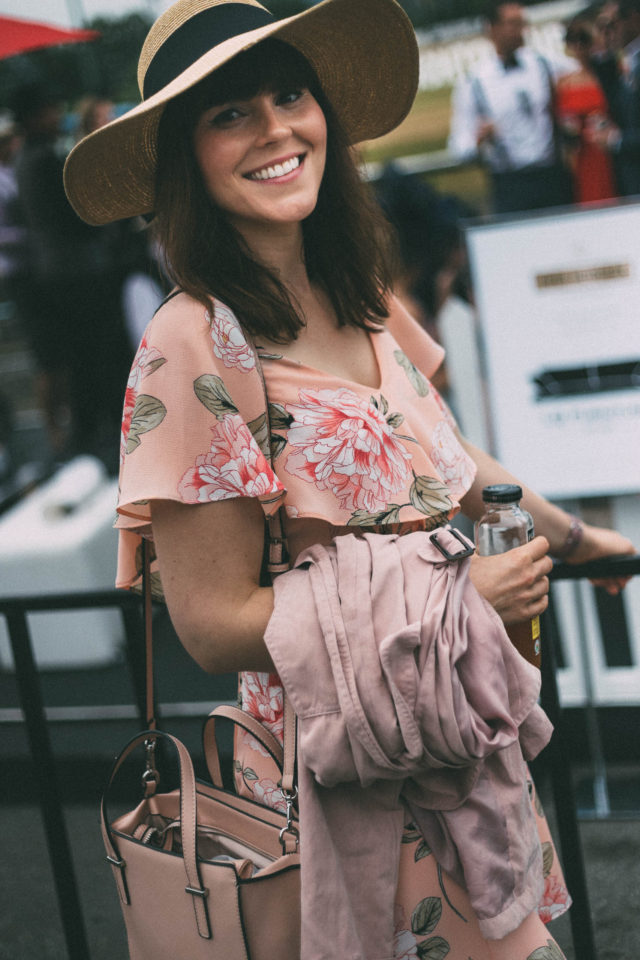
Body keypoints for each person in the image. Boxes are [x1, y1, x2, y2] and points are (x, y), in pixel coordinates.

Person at [64, 1, 635, 957]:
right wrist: (458, 605)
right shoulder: (191, 344)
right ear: (186, 159)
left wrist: (579, 539)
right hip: (331, 794)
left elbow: (451, 465)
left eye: (290, 94)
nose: (278, 129)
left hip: (460, 755)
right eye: (230, 113)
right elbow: (210, 625)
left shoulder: (362, 293)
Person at [12, 83, 132, 471]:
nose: (54, 116)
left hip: (59, 273)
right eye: (47, 110)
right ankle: (104, 434)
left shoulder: (25, 157)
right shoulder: (44, 158)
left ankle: (92, 433)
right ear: (32, 116)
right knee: (98, 355)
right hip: (79, 272)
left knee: (84, 357)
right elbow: (76, 215)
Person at [448, 1, 574, 214]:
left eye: (522, 23)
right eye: (513, 23)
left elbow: (582, 70)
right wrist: (479, 140)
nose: (522, 30)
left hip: (553, 177)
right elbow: (459, 147)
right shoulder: (473, 82)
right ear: (492, 28)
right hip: (510, 184)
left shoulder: (543, 63)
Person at [555, 14, 619, 202]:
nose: (577, 46)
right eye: (571, 39)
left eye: (582, 39)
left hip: (609, 150)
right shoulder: (564, 82)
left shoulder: (609, 74)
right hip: (581, 155)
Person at [587, 0, 640, 196]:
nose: (606, 32)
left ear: (634, 19)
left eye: (611, 24)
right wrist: (604, 53)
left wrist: (616, 139)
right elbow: (619, 107)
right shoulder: (628, 58)